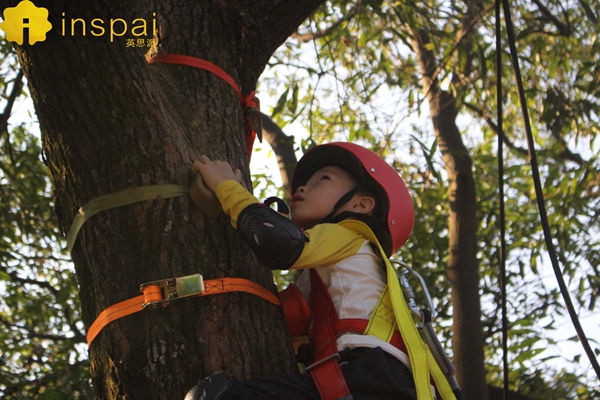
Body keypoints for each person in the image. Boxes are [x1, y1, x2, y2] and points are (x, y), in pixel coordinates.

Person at [186, 142, 452, 400]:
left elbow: (278, 241)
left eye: (323, 179)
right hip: (369, 378)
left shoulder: (351, 237)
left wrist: (227, 188)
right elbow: (284, 319)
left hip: (371, 375)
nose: (302, 187)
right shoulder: (326, 272)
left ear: (361, 205)